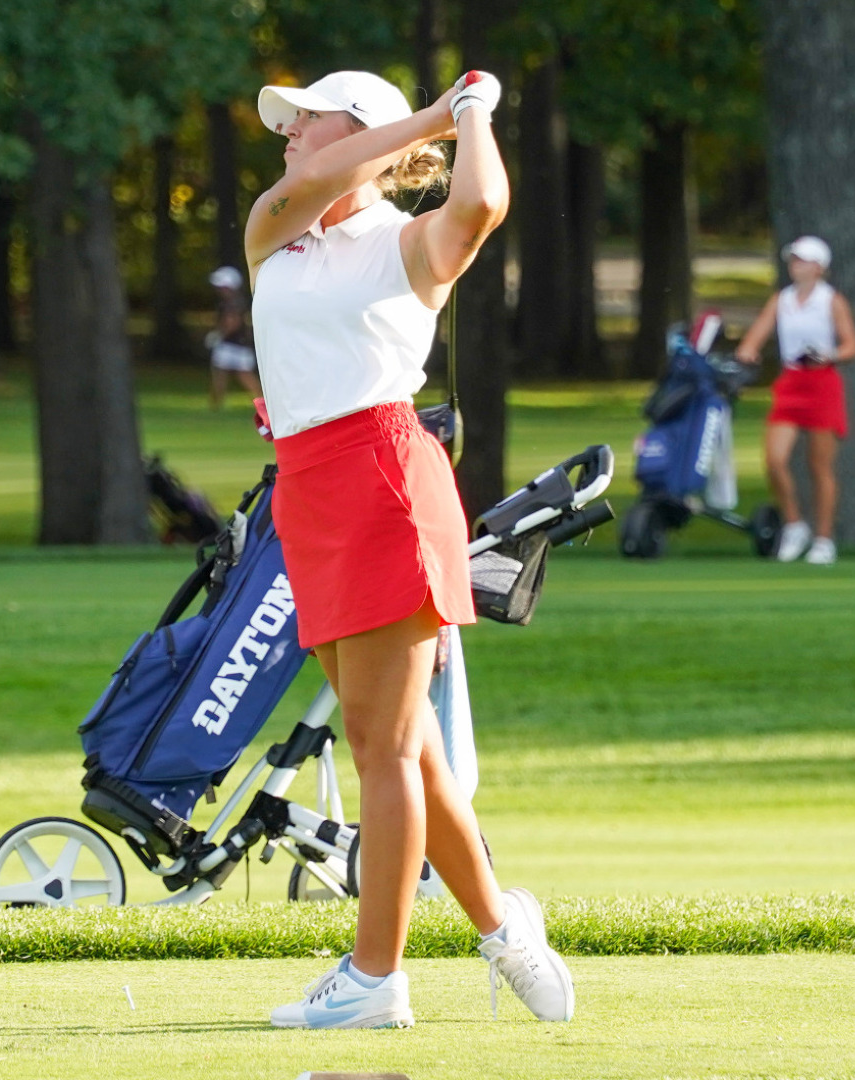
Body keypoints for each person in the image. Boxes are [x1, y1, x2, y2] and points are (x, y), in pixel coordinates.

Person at [246, 69, 572, 1030]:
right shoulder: (277, 232)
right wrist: (431, 116)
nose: (289, 134)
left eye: (304, 119)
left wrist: (464, 114)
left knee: (380, 747)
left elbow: (479, 201)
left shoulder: (403, 244)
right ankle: (504, 927)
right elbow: (304, 185)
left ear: (361, 134)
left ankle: (374, 977)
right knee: (411, 748)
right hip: (307, 491)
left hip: (385, 477)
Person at [735, 235, 855, 565]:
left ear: (819, 267)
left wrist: (829, 355)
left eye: (803, 260)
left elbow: (851, 345)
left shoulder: (831, 300)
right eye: (793, 260)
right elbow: (755, 337)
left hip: (822, 382)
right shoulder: (782, 299)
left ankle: (823, 539)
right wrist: (747, 352)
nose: (795, 265)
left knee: (819, 466)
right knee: (774, 459)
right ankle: (794, 524)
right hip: (791, 382)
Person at [205, 265, 260, 409]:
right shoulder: (235, 301)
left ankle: (262, 404)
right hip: (233, 344)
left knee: (243, 375)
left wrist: (218, 335)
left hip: (235, 345)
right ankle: (216, 405)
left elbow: (232, 322)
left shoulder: (233, 303)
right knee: (220, 372)